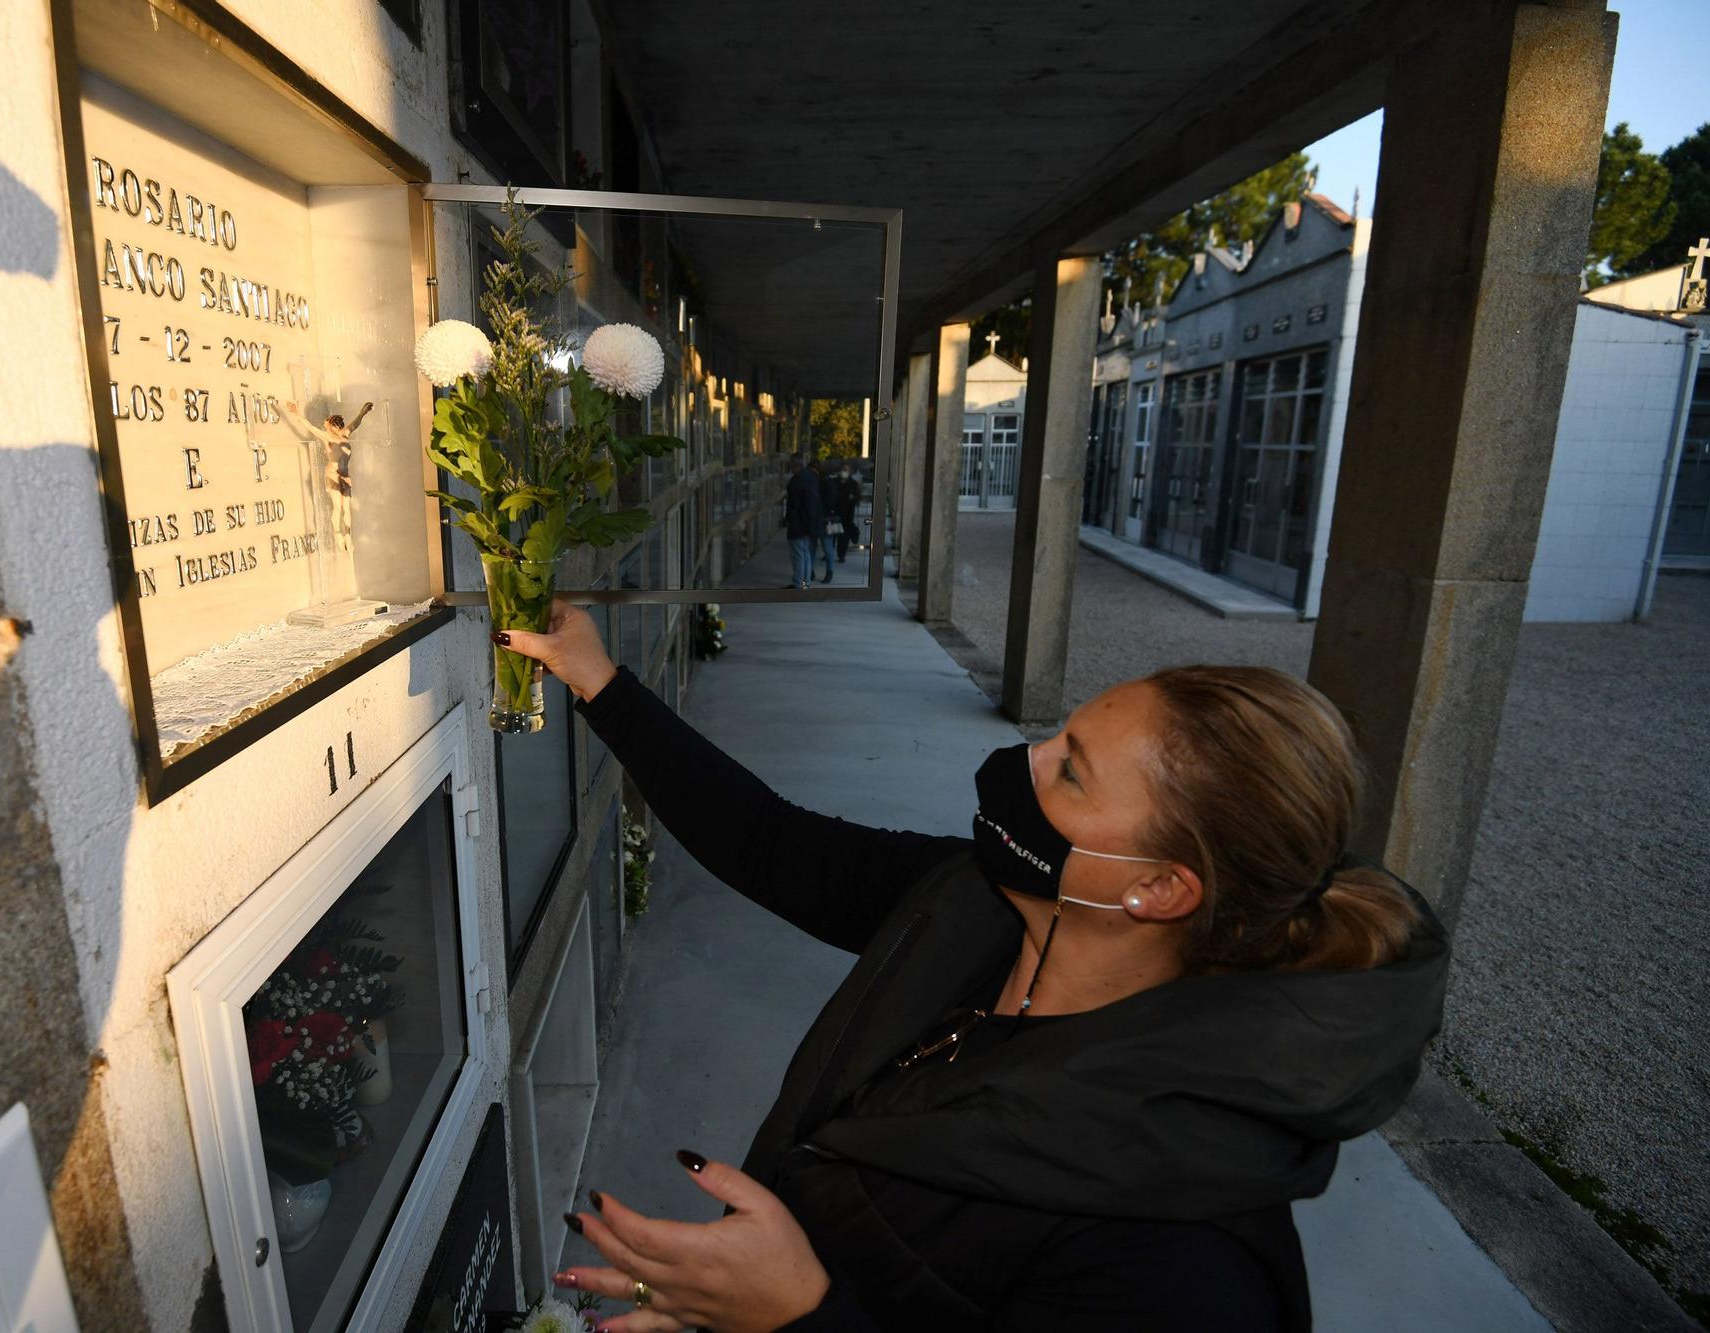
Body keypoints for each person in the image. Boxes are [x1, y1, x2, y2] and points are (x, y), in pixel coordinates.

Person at [494, 603, 1448, 1333]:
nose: (1020, 762)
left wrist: (798, 1313)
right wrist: (596, 677)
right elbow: (771, 843)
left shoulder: (1189, 1251)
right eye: (1058, 736)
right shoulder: (972, 903)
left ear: (1158, 889)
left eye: (1069, 772)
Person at [783, 458, 823, 589]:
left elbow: (794, 506)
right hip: (808, 523)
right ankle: (806, 583)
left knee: (798, 555)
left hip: (799, 525)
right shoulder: (811, 479)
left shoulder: (797, 481)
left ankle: (798, 583)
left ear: (795, 466)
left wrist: (790, 521)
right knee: (805, 554)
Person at [811, 460, 837, 584]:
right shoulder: (829, 482)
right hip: (829, 519)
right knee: (828, 547)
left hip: (819, 519)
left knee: (813, 546)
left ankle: (810, 571)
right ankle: (829, 572)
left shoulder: (815, 482)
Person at [833, 462, 862, 562]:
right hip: (835, 512)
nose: (843, 472)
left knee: (843, 536)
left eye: (846, 470)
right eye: (842, 470)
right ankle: (829, 552)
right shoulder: (834, 482)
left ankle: (841, 555)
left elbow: (858, 497)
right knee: (832, 534)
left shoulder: (853, 484)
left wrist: (853, 498)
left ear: (849, 472)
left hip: (847, 514)